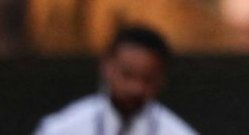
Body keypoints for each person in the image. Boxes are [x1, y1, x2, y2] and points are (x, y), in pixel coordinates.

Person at [34, 24, 198, 135]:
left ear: (161, 80)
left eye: (147, 79)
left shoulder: (177, 132)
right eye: (127, 75)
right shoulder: (62, 129)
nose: (136, 88)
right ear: (107, 67)